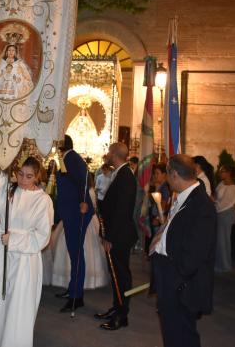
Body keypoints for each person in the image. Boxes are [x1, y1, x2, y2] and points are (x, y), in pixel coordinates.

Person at [0, 157, 53, 347]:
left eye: (29, 176)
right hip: (1, 254)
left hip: (24, 260)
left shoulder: (43, 200)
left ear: (37, 176)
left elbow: (42, 236)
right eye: (20, 174)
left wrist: (14, 240)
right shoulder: (10, 191)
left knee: (18, 305)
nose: (23, 180)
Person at [150, 154, 217, 347]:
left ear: (175, 175)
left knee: (183, 336)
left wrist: (173, 280)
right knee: (172, 334)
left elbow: (195, 253)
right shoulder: (185, 197)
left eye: (168, 175)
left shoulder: (202, 205)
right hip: (172, 278)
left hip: (181, 285)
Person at [95, 142, 137, 331]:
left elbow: (121, 211)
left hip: (119, 236)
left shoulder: (126, 176)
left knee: (121, 276)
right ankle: (116, 307)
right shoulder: (120, 173)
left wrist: (109, 237)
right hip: (116, 234)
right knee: (115, 275)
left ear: (115, 154)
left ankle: (122, 315)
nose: (107, 155)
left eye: (109, 152)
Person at [54, 134, 94, 312]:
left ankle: (77, 297)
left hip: (78, 212)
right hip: (70, 212)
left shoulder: (73, 158)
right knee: (73, 253)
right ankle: (72, 289)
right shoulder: (67, 158)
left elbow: (84, 178)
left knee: (77, 254)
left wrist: (84, 200)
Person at [213, 165, 235, 272]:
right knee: (219, 239)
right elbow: (216, 197)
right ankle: (219, 263)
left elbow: (225, 203)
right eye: (220, 171)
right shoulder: (221, 184)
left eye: (222, 172)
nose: (220, 174)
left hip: (226, 214)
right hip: (219, 213)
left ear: (228, 173)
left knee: (223, 239)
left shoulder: (233, 188)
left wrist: (213, 203)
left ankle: (225, 265)